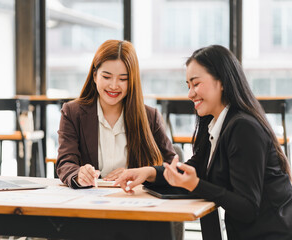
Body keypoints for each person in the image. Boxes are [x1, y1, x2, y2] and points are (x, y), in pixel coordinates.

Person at [115, 45, 292, 239]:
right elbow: (194, 168)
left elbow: (247, 207)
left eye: (196, 84)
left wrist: (196, 185)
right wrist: (148, 172)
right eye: (188, 86)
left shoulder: (243, 128)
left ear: (222, 81)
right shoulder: (217, 124)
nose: (190, 94)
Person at [56, 39, 176, 189]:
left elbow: (173, 167)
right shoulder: (73, 113)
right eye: (106, 77)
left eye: (123, 79)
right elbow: (65, 163)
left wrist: (137, 173)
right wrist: (79, 173)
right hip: (89, 201)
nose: (113, 86)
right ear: (94, 76)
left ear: (132, 81)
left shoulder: (150, 116)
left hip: (134, 202)